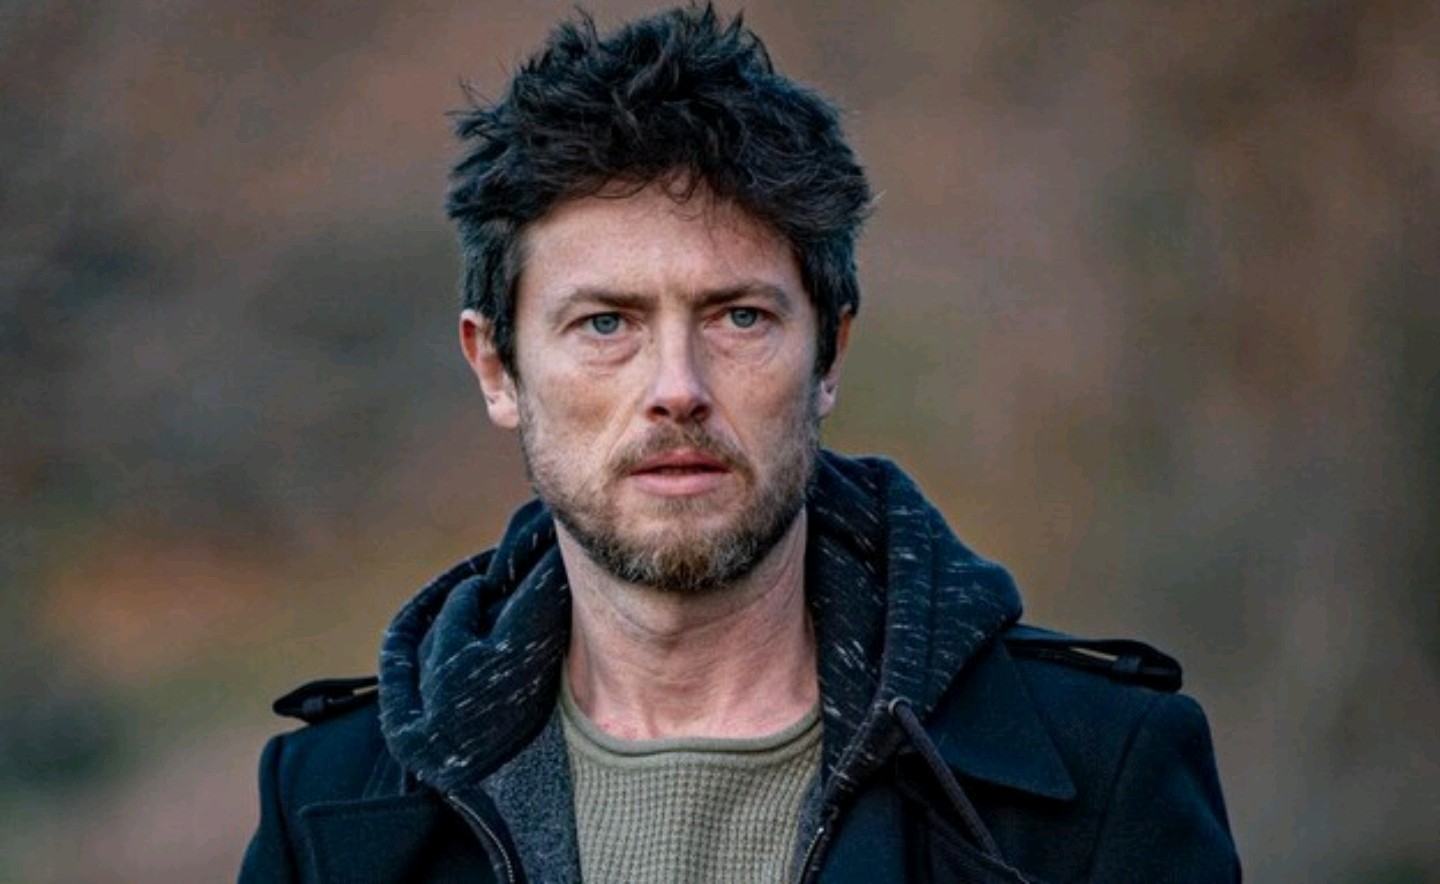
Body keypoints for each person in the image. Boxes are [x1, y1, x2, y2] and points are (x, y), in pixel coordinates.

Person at [239, 5, 1239, 882]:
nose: (677, 388)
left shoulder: (1104, 773)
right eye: (606, 323)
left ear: (830, 351)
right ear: (496, 367)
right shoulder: (327, 802)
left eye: (739, 317)